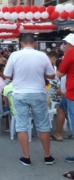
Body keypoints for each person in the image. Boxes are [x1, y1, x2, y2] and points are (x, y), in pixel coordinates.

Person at [3, 33, 55, 166]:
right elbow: (52, 75)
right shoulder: (42, 55)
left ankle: (26, 157)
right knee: (43, 125)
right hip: (38, 93)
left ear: (21, 43)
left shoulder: (14, 55)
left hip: (20, 93)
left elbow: (7, 75)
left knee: (22, 126)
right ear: (35, 43)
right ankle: (47, 156)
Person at [56, 34, 74, 174]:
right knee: (61, 108)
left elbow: (60, 73)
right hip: (69, 94)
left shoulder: (71, 53)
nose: (63, 45)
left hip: (72, 94)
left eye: (64, 43)